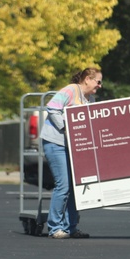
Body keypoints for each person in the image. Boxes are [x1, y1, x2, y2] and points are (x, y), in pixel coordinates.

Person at [42, 67, 102, 239]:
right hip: (56, 143)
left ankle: (71, 227)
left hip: (73, 147)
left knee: (75, 188)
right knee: (63, 185)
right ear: (88, 79)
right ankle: (55, 228)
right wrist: (66, 127)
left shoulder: (89, 99)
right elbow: (52, 107)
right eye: (98, 81)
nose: (99, 86)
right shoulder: (70, 90)